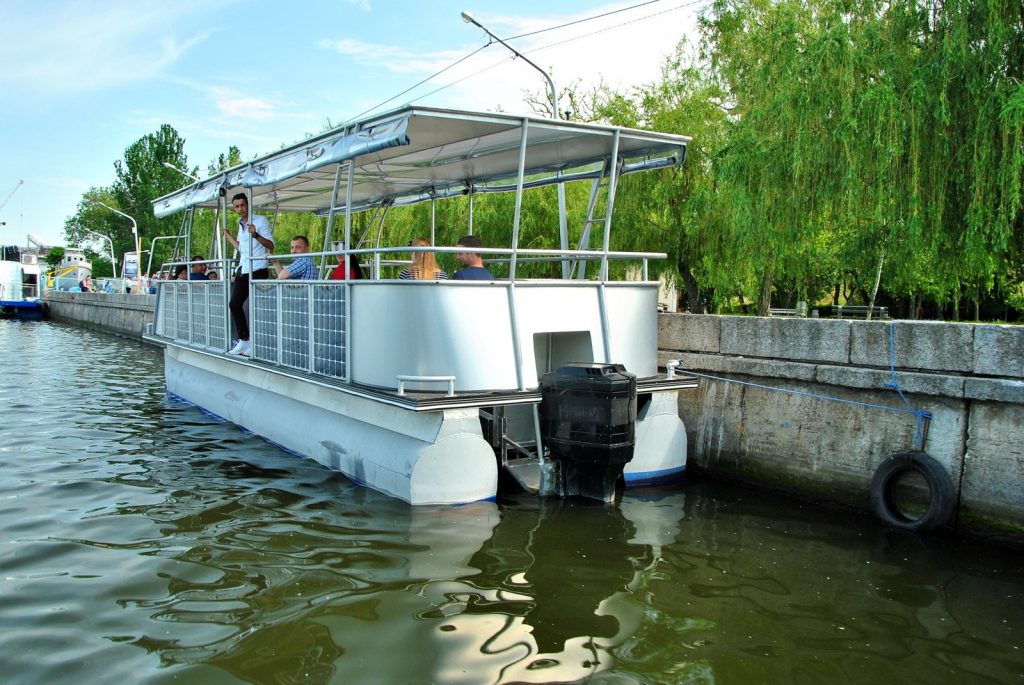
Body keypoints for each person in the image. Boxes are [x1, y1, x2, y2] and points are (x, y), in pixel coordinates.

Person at [222, 192, 274, 356]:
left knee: (253, 306)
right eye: (237, 206)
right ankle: (244, 340)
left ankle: (256, 343)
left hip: (258, 267)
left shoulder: (260, 221)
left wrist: (256, 234)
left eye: (243, 205)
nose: (240, 209)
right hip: (244, 268)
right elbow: (242, 249)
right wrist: (229, 237)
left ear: (248, 204)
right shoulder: (240, 224)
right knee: (234, 304)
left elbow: (271, 246)